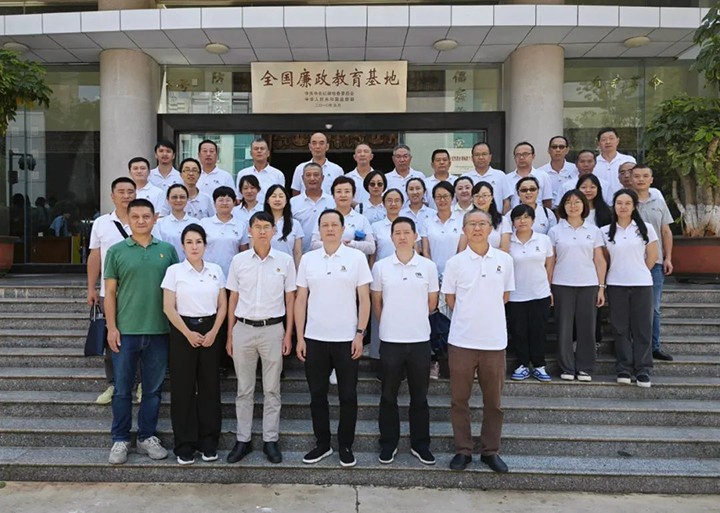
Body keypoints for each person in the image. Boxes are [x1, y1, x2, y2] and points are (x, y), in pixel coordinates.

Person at [295, 209, 372, 468]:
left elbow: (364, 300)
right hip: (314, 338)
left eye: (334, 225)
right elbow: (301, 300)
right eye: (325, 225)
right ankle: (323, 443)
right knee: (317, 394)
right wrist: (300, 337)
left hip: (346, 338)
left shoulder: (356, 258)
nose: (329, 229)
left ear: (342, 228)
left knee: (348, 395)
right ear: (319, 230)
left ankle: (345, 445)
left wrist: (360, 334)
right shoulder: (308, 259)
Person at [104, 198, 179, 465]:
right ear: (128, 219)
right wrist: (111, 327)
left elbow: (176, 290)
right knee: (122, 390)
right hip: (126, 331)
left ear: (154, 218)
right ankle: (120, 439)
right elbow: (109, 293)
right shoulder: (116, 251)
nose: (140, 221)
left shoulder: (168, 250)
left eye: (146, 216)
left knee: (153, 390)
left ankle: (147, 436)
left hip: (159, 331)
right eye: (135, 216)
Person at [443, 209, 515, 473]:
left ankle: (490, 451)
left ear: (490, 228)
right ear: (464, 229)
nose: (477, 228)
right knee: (459, 400)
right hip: (462, 340)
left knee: (493, 402)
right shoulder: (455, 263)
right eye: (471, 224)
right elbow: (450, 299)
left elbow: (505, 296)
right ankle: (463, 450)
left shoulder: (505, 260)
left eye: (482, 223)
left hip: (494, 342)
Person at [226, 212, 297, 464]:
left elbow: (290, 299)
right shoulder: (238, 261)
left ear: (274, 231)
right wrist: (230, 334)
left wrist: (289, 334)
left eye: (267, 227)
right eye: (258, 227)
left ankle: (270, 440)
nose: (262, 231)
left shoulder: (285, 261)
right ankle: (243, 440)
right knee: (244, 389)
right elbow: (232, 298)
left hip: (273, 329)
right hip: (243, 329)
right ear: (250, 230)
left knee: (272, 389)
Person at [371, 216, 439, 466]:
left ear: (415, 236)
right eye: (397, 233)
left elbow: (432, 303)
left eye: (406, 232)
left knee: (419, 397)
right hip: (391, 340)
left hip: (420, 339)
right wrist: (391, 322)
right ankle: (388, 444)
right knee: (388, 395)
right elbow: (377, 303)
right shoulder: (381, 267)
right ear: (391, 237)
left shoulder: (428, 266)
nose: (402, 237)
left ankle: (420, 445)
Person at [161, 223, 226, 465]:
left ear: (205, 245)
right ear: (183, 246)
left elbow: (223, 305)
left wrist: (214, 332)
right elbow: (168, 307)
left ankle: (209, 443)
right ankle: (185, 445)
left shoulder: (215, 270)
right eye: (189, 242)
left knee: (210, 387)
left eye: (198, 242)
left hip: (211, 330)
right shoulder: (174, 271)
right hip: (182, 331)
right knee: (183, 389)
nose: (194, 246)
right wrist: (188, 333)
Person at [86, 177, 137, 405]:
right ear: (112, 196)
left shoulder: (144, 220)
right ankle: (114, 383)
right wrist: (91, 287)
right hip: (109, 292)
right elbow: (95, 256)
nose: (126, 196)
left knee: (141, 337)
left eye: (130, 191)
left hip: (139, 291)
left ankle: (141, 383)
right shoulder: (101, 223)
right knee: (111, 339)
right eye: (121, 191)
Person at [601, 189, 658, 388]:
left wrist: (639, 271)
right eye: (619, 203)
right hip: (616, 284)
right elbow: (605, 259)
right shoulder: (605, 231)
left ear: (634, 206)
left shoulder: (646, 229)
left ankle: (643, 369)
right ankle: (624, 367)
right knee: (620, 328)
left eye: (627, 203)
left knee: (642, 328)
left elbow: (652, 256)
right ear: (614, 206)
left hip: (641, 283)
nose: (623, 207)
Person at [548, 190, 606, 381]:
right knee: (563, 328)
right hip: (561, 283)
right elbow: (551, 261)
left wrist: (601, 287)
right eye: (568, 202)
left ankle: (585, 367)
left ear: (584, 205)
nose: (572, 206)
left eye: (577, 202)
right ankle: (566, 367)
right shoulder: (555, 231)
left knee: (587, 327)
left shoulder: (594, 230)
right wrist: (548, 287)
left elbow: (599, 260)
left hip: (588, 284)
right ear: (563, 206)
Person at [631, 164, 675, 362]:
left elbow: (665, 231)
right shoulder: (625, 201)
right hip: (630, 263)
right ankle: (633, 346)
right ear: (631, 179)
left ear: (651, 179)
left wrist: (668, 257)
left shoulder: (658, 201)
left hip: (655, 263)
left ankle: (654, 346)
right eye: (637, 176)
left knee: (653, 308)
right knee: (632, 308)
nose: (640, 179)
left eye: (645, 176)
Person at [506, 204, 554, 382]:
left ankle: (539, 365)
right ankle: (522, 364)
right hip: (516, 295)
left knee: (538, 330)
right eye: (518, 218)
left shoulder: (543, 240)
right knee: (519, 331)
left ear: (533, 220)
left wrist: (548, 288)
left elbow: (549, 265)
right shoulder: (508, 242)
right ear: (513, 222)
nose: (522, 221)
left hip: (539, 293)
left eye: (526, 217)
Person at [310, 176, 375, 257]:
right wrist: (336, 245)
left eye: (347, 191)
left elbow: (371, 248)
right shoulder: (324, 217)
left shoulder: (361, 219)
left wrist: (352, 244)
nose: (343, 195)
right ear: (333, 195)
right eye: (339, 192)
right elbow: (314, 244)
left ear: (353, 195)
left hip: (353, 261)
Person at [199, 186, 250, 277]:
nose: (224, 203)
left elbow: (243, 251)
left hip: (232, 272)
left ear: (234, 203)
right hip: (208, 273)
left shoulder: (241, 225)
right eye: (221, 200)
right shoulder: (204, 223)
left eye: (228, 200)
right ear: (214, 203)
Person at [290, 162, 336, 253]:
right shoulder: (293, 202)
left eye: (316, 175)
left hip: (328, 253)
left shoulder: (333, 201)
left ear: (322, 178)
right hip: (300, 254)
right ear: (302, 178)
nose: (312, 178)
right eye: (308, 175)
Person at [421, 181, 463, 278]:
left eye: (446, 196)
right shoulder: (427, 222)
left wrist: (452, 271)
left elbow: (461, 251)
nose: (442, 200)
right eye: (438, 197)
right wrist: (433, 272)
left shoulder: (461, 221)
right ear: (434, 199)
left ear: (452, 198)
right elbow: (425, 251)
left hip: (456, 272)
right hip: (432, 273)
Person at [462, 142, 511, 214]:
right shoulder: (465, 177)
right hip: (471, 218)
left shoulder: (500, 175)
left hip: (495, 218)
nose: (481, 157)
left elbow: (506, 201)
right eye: (477, 155)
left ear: (490, 157)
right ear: (472, 158)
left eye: (484, 154)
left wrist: (502, 218)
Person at [154, 184, 200, 260]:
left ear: (187, 199)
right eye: (174, 197)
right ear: (168, 199)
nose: (178, 200)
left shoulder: (196, 223)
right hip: (167, 263)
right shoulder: (160, 223)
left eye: (182, 197)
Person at [264, 184, 304, 268]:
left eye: (281, 196)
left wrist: (298, 273)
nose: (277, 199)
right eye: (274, 196)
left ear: (286, 201)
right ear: (267, 200)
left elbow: (297, 253)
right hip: (265, 268)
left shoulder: (295, 224)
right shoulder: (260, 223)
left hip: (287, 269)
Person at [235, 138, 285, 203]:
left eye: (262, 148)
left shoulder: (278, 174)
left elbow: (280, 198)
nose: (259, 151)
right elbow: (239, 198)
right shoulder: (242, 174)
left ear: (268, 153)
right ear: (251, 153)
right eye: (256, 149)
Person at [505, 142, 553, 209]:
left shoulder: (543, 176)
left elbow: (547, 201)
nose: (521, 157)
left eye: (525, 154)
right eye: (518, 155)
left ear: (533, 156)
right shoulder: (507, 179)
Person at [537, 136, 578, 208]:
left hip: (571, 209)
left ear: (567, 150)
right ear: (549, 150)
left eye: (561, 147)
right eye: (554, 147)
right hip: (548, 210)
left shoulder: (576, 169)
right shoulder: (540, 172)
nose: (558, 150)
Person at [594, 127, 636, 195]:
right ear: (598, 143)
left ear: (617, 141)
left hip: (624, 199)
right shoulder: (593, 163)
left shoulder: (628, 160)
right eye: (604, 139)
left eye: (611, 138)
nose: (608, 142)